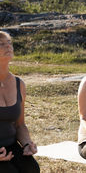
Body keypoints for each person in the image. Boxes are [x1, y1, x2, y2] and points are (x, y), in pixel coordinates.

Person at [0, 31, 40, 173]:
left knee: (32, 169)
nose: (8, 47)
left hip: (11, 146)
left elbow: (20, 124)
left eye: (9, 43)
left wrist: (27, 143)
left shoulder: (19, 84)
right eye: (1, 44)